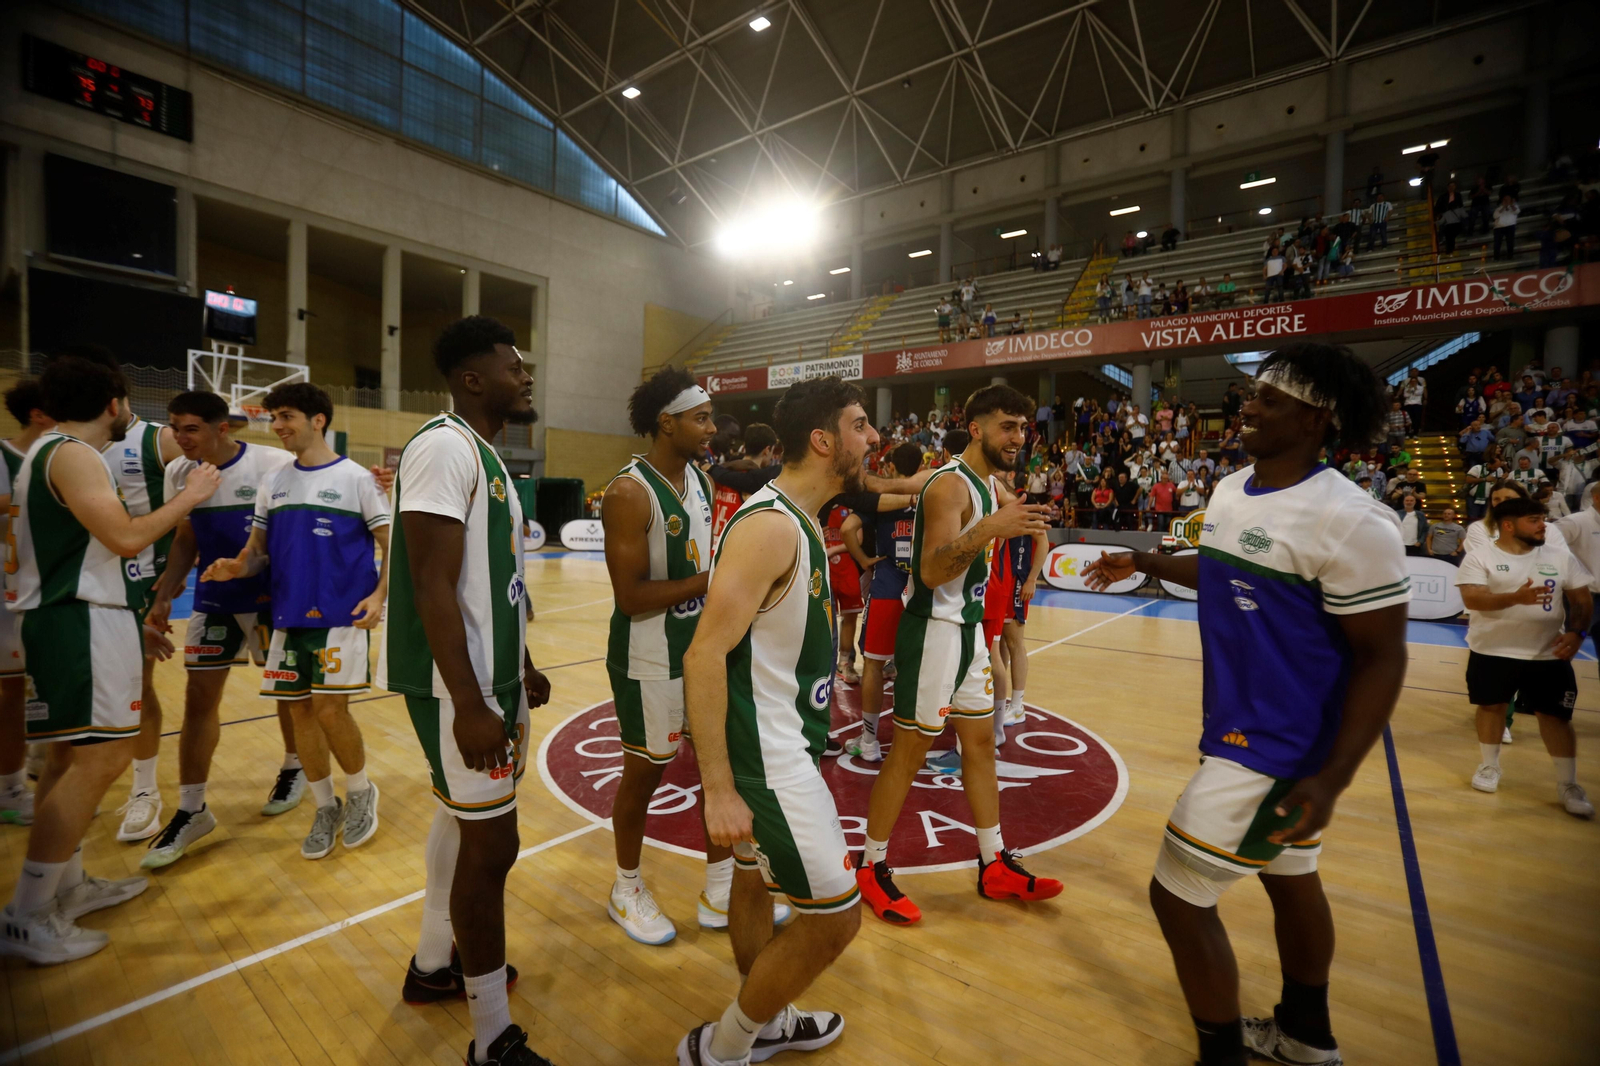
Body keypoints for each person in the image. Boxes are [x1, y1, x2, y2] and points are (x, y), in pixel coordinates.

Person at [1083, 343, 1410, 1066]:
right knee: (1292, 879)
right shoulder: (1234, 490)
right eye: (1251, 395)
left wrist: (1331, 778)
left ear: (1316, 419)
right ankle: (1305, 1036)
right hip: (1252, 731)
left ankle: (1221, 1056)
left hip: (1278, 747)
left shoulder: (1354, 520)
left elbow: (1383, 658)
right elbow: (1222, 566)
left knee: (1177, 895)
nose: (1247, 408)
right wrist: (1143, 561)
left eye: (1269, 399)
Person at [0, 355, 221, 964]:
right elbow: (126, 537)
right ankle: (28, 912)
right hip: (77, 618)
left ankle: (64, 888)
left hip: (70, 616)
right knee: (101, 759)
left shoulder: (42, 452)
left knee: (71, 757)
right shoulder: (72, 453)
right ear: (114, 404)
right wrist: (193, 495)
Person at [377, 316, 556, 1066]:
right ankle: (490, 1037)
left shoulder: (486, 455)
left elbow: (493, 586)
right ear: (472, 378)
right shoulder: (443, 447)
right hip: (463, 689)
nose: (527, 376)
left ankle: (432, 964)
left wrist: (527, 658)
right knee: (493, 845)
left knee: (463, 825)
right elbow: (430, 584)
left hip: (492, 677)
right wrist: (474, 703)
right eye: (515, 366)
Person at [677, 377, 871, 1066]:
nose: (871, 437)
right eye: (859, 425)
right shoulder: (769, 528)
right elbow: (703, 657)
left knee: (756, 883)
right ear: (823, 441)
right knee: (837, 918)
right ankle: (723, 1048)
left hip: (782, 744)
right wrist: (721, 788)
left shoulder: (800, 520)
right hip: (769, 760)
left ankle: (771, 1021)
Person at [854, 385, 1061, 925]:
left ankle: (994, 861)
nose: (1019, 437)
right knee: (909, 753)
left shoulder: (991, 485)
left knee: (980, 748)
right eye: (1007, 427)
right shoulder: (950, 486)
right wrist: (993, 528)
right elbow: (930, 570)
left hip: (968, 633)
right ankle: (870, 867)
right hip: (933, 633)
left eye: (1023, 427)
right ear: (977, 429)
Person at [598, 367, 766, 945]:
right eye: (701, 417)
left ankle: (720, 886)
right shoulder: (628, 492)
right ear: (664, 422)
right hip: (648, 659)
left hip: (697, 652)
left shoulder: (697, 477)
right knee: (645, 775)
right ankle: (626, 887)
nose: (711, 427)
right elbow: (631, 596)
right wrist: (714, 581)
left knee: (719, 764)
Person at [200, 384, 387, 859]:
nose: (277, 426)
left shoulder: (358, 478)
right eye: (274, 417)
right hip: (285, 617)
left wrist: (380, 594)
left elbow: (393, 544)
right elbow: (256, 552)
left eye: (286, 416)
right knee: (300, 711)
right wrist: (236, 567)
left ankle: (362, 791)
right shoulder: (274, 482)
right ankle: (325, 805)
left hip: (341, 615)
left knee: (328, 709)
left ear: (318, 420)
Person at [138, 392, 302, 869]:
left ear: (221, 429)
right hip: (215, 597)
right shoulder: (177, 473)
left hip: (271, 595)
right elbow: (186, 535)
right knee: (197, 698)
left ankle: (294, 768)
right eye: (174, 428)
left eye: (191, 428)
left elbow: (288, 532)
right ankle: (191, 809)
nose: (180, 438)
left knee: (286, 693)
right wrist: (166, 590)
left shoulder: (274, 463)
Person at [51, 347, 188, 844]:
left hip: (135, 590)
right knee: (85, 718)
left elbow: (212, 470)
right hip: (81, 594)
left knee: (139, 692)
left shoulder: (158, 440)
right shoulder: (65, 449)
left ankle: (144, 791)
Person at [1456, 496, 1593, 818]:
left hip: (1547, 653)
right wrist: (1516, 598)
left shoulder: (1560, 557)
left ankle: (1568, 784)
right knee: (1491, 708)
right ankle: (1489, 766)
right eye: (1534, 519)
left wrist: (1576, 633)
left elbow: (1582, 601)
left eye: (1542, 519)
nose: (1543, 525)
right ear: (1508, 525)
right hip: (1491, 650)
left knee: (1556, 718)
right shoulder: (1480, 557)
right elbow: (1473, 598)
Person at [850, 441, 927, 763]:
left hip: (887, 586)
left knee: (873, 664)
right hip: (924, 590)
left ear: (893, 468)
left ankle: (869, 740)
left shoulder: (880, 500)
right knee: (918, 667)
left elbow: (846, 528)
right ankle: (912, 738)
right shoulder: (933, 495)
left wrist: (865, 560)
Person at [0, 381, 55, 826]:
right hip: (5, 597)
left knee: (24, 694)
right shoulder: (5, 457)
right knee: (9, 695)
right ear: (39, 414)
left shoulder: (58, 457)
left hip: (33, 598)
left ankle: (24, 777)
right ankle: (10, 787)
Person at [1493, 194, 1520, 261]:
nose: (1507, 201)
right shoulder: (1498, 209)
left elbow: (1517, 211)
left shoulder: (1514, 207)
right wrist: (1503, 207)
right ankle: (1496, 258)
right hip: (1499, 228)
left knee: (1510, 242)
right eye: (1505, 200)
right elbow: (1495, 216)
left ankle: (1510, 256)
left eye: (1508, 200)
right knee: (1497, 243)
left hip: (1510, 226)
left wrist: (1511, 205)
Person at [1400, 369, 1426, 438]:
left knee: (1416, 418)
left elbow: (1418, 393)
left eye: (1415, 381)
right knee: (1408, 419)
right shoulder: (1407, 387)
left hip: (1417, 404)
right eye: (1412, 382)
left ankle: (1415, 432)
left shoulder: (1420, 387)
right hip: (1408, 404)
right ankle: (1407, 433)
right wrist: (1409, 389)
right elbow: (1405, 395)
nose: (1413, 382)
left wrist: (1414, 388)